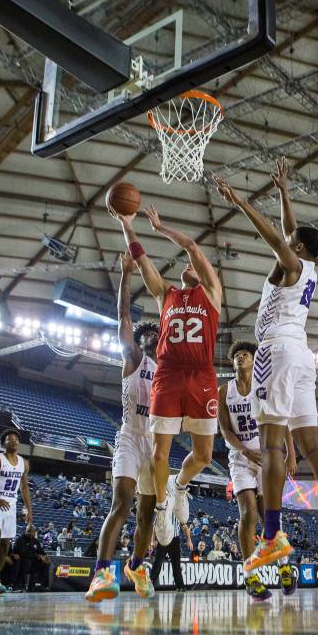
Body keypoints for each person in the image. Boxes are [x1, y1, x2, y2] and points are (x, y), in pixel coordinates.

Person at [214, 160, 318, 574]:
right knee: (311, 445)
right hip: (301, 355)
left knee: (272, 443)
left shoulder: (292, 262)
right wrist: (284, 193)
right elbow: (292, 234)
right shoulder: (307, 265)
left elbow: (279, 238)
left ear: (296, 248)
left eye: (291, 241)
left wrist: (241, 200)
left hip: (276, 352)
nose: (287, 241)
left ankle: (272, 536)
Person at [113, 204, 222, 550]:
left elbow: (191, 246)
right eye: (187, 267)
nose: (190, 266)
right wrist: (128, 226)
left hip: (202, 374)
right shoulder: (166, 295)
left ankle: (180, 485)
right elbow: (141, 259)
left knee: (204, 455)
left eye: (196, 266)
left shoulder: (214, 293)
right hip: (169, 375)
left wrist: (160, 227)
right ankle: (162, 509)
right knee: (160, 452)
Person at [86, 253, 159, 603]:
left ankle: (138, 564)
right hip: (131, 435)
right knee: (122, 502)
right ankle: (101, 573)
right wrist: (127, 274)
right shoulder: (134, 358)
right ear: (142, 341)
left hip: (157, 442)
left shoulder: (169, 371)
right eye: (151, 335)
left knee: (147, 513)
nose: (157, 338)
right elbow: (124, 315)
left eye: (160, 335)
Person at [219, 339, 299, 601]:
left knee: (269, 518)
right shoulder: (224, 391)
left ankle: (284, 567)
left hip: (267, 455)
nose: (240, 358)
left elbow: (281, 421)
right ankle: (250, 576)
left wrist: (291, 453)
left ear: (254, 360)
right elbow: (225, 430)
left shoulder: (264, 388)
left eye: (245, 354)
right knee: (247, 514)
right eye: (236, 356)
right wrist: (245, 450)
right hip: (241, 459)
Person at [0, 429, 32, 596]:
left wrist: (29, 509)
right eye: (10, 439)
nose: (14, 441)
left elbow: (24, 487)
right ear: (3, 444)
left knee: (5, 545)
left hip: (11, 506)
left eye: (16, 439)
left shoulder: (24, 463)